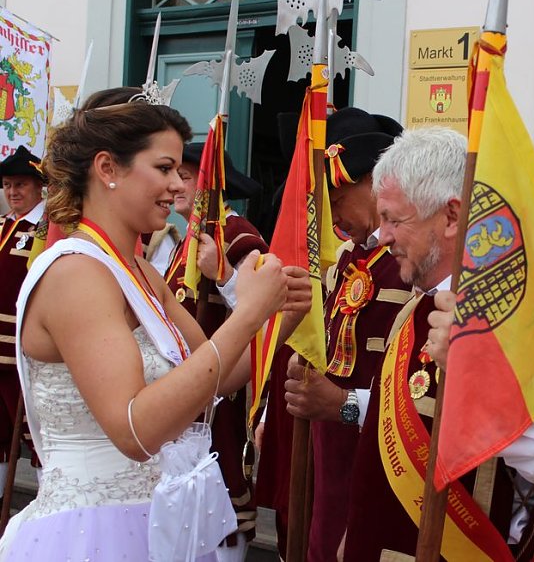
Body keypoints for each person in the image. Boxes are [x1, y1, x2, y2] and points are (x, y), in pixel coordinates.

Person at [0, 95, 311, 560]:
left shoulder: (139, 271)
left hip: (159, 522)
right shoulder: (75, 274)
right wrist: (247, 313)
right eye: (164, 168)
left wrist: (282, 316)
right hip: (93, 531)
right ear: (108, 168)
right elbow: (135, 430)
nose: (176, 185)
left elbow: (216, 375)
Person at [334, 127, 534, 560]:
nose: (381, 237)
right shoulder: (414, 311)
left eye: (394, 219)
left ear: (451, 217)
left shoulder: (532, 314)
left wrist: (479, 377)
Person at [274, 107, 412, 560]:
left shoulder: (413, 266)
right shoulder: (347, 259)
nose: (330, 215)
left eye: (336, 196)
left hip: (384, 457)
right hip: (328, 454)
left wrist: (344, 406)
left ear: (374, 183)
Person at [165, 141, 265, 562]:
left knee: (222, 492)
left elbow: (262, 312)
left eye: (188, 177)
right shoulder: (182, 239)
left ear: (212, 188)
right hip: (184, 390)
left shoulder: (240, 236)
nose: (175, 186)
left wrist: (221, 272)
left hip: (223, 391)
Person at [0, 146, 46, 494]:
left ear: (38, 188)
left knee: (39, 435)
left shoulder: (48, 230)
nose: (13, 192)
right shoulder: (4, 226)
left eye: (20, 185)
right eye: (7, 185)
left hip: (23, 352)